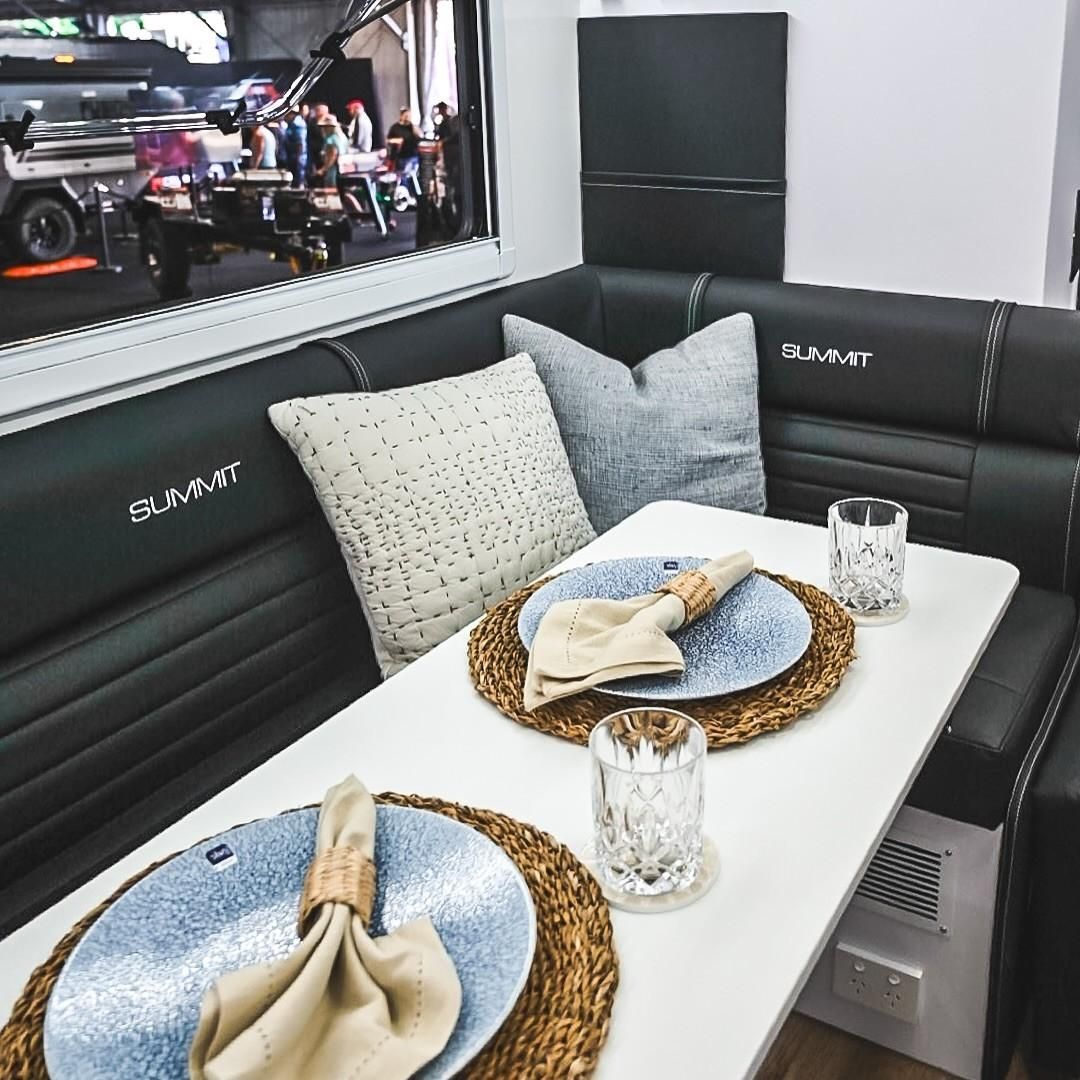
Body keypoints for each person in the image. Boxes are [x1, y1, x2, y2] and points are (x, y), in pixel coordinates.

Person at [312, 116, 348, 188]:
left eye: (324, 127)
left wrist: (323, 170)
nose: (322, 129)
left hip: (333, 171)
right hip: (344, 169)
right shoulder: (343, 137)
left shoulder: (330, 139)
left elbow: (332, 156)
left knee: (332, 190)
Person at [279, 110, 308, 185]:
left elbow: (300, 142)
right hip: (292, 154)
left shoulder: (298, 124)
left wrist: (298, 156)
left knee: (298, 175)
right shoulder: (291, 124)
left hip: (298, 155)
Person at [306, 102, 330, 181]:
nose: (316, 112)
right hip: (314, 152)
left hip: (327, 152)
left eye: (318, 110)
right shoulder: (312, 123)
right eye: (316, 110)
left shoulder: (329, 122)